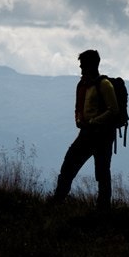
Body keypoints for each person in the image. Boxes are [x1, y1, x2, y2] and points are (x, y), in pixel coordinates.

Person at [50, 49, 120, 210]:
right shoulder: (82, 85)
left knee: (101, 172)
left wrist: (93, 121)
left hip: (101, 136)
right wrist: (79, 120)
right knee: (70, 165)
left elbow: (114, 110)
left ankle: (101, 208)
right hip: (87, 133)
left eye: (83, 66)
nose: (81, 69)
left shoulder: (104, 85)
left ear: (92, 66)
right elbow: (78, 108)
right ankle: (58, 200)